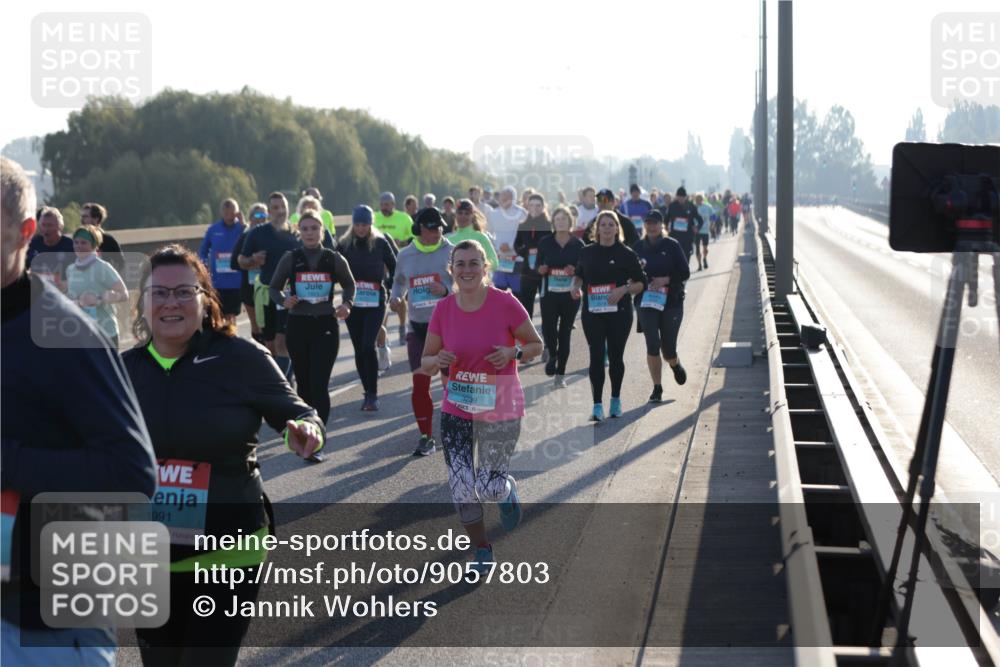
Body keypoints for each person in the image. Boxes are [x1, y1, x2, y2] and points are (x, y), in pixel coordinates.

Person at [124, 244, 323, 667]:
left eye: (184, 292)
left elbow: (300, 412)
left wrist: (306, 433)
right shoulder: (120, 371)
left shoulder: (241, 357)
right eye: (159, 293)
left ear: (205, 299)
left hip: (229, 548)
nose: (171, 302)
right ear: (142, 302)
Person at [1, 156, 156, 667]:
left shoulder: (65, 334)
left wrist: (9, 461)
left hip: (47, 620)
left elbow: (132, 473)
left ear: (26, 232)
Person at [421, 239, 542, 570]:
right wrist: (438, 358)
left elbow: (536, 345)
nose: (467, 270)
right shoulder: (443, 309)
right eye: (460, 264)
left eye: (474, 263)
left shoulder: (505, 303)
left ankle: (504, 491)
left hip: (501, 403)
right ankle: (482, 550)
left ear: (485, 267)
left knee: (488, 485)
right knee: (461, 488)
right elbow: (426, 360)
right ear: (452, 270)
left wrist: (512, 353)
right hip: (458, 405)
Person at [269, 212, 355, 435]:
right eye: (305, 228)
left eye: (314, 228)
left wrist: (347, 304)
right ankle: (307, 431)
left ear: (322, 232)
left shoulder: (333, 258)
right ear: (299, 232)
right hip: (298, 325)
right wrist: (284, 300)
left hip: (326, 325)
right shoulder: (291, 258)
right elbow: (273, 288)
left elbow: (349, 285)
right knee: (304, 386)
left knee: (319, 385)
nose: (309, 233)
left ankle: (318, 438)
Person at [390, 207, 454, 456]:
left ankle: (454, 429)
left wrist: (447, 291)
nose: (436, 232)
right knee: (420, 384)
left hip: (448, 327)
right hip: (417, 327)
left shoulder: (452, 251)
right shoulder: (406, 254)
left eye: (439, 227)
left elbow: (470, 282)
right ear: (419, 229)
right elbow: (398, 282)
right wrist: (396, 298)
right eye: (430, 228)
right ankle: (426, 437)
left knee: (451, 385)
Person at [570, 211, 645, 421]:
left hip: (619, 313)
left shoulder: (626, 253)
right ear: (597, 228)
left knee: (615, 357)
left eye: (611, 224)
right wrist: (573, 286)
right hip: (593, 313)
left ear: (617, 228)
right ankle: (596, 405)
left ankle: (615, 399)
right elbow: (578, 274)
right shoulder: (587, 252)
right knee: (595, 356)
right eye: (603, 224)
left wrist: (623, 290)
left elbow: (641, 283)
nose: (607, 228)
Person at [339, 205, 398, 411]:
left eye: (365, 224)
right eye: (357, 224)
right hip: (353, 303)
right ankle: (367, 390)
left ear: (370, 224)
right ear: (353, 225)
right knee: (358, 349)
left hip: (375, 301)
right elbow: (332, 268)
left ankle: (372, 394)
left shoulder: (381, 243)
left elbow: (396, 266)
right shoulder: (344, 245)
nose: (361, 228)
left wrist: (390, 289)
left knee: (367, 345)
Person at [238, 192, 301, 379]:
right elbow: (241, 260)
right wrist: (252, 259)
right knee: (270, 343)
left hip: (290, 294)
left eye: (283, 207)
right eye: (275, 207)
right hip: (266, 293)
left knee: (283, 341)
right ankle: (281, 378)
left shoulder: (296, 233)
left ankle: (287, 385)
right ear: (269, 210)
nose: (280, 211)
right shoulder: (257, 233)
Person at [633, 210, 690, 403]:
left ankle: (674, 364)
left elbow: (685, 272)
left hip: (671, 301)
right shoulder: (638, 247)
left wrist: (666, 279)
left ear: (661, 225)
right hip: (646, 301)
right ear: (644, 225)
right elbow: (630, 273)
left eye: (655, 223)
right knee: (652, 344)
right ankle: (657, 387)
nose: (651, 226)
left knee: (668, 349)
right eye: (648, 222)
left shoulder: (672, 245)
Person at [536, 205, 584, 386]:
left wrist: (576, 270)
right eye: (558, 219)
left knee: (565, 333)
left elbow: (585, 269)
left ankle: (560, 374)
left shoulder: (578, 244)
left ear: (570, 222)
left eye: (564, 219)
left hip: (570, 295)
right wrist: (540, 269)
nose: (561, 222)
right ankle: (553, 356)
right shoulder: (545, 242)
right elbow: (537, 265)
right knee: (549, 328)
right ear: (553, 223)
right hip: (549, 293)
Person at [65, 224, 129, 348]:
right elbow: (70, 300)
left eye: (84, 243)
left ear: (94, 245)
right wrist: (77, 303)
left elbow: (124, 294)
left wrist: (100, 299)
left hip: (106, 333)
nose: (79, 246)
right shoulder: (70, 269)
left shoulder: (103, 267)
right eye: (76, 242)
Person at [374, 192, 414, 346]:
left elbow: (413, 238)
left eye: (387, 204)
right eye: (382, 204)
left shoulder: (404, 218)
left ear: (393, 204)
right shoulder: (374, 217)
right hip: (378, 263)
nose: (384, 207)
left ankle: (402, 325)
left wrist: (402, 242)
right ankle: (381, 330)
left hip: (399, 260)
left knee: (400, 296)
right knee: (382, 297)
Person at [199, 199, 246, 325]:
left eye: (231, 211)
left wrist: (244, 225)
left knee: (231, 315)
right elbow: (203, 250)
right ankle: (221, 340)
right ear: (221, 212)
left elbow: (250, 244)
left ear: (237, 212)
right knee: (217, 314)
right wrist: (204, 264)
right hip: (218, 281)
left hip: (236, 280)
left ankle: (231, 339)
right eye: (225, 211)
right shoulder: (213, 229)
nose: (228, 214)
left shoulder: (242, 228)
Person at [230, 203, 268, 342]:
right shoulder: (245, 236)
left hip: (267, 287)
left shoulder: (272, 236)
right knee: (257, 327)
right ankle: (260, 356)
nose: (262, 218)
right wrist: (251, 261)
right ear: (251, 218)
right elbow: (233, 263)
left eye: (265, 215)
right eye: (258, 215)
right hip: (249, 287)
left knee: (268, 326)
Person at [514, 192, 553, 321]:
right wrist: (525, 251)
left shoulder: (549, 225)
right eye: (531, 205)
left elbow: (553, 246)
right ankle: (528, 336)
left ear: (543, 207)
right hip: (527, 271)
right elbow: (517, 245)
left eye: (538, 205)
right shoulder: (523, 225)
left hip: (544, 271)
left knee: (547, 306)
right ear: (527, 206)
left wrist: (543, 256)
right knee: (526, 305)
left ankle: (548, 335)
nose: (534, 208)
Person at [486, 186, 527, 295]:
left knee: (518, 295)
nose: (505, 199)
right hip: (500, 260)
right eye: (502, 196)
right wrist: (497, 246)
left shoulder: (522, 213)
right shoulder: (493, 214)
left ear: (513, 198)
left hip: (517, 259)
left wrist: (511, 246)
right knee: (498, 294)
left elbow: (525, 236)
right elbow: (488, 233)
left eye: (508, 196)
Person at [26, 206, 74, 286]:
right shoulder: (32, 243)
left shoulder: (71, 246)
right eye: (43, 225)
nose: (46, 229)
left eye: (50, 225)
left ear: (60, 226)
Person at [446, 199, 499, 269]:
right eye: (460, 213)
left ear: (472, 216)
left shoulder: (481, 237)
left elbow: (494, 263)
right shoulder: (448, 239)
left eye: (467, 213)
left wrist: (474, 269)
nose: (463, 216)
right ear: (455, 215)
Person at [80, 202, 124, 274]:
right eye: (81, 216)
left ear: (96, 219)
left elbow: (120, 263)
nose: (82, 220)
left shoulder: (108, 240)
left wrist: (109, 277)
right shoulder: (79, 241)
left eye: (85, 217)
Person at [664, 186, 704, 268]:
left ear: (686, 197)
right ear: (676, 196)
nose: (681, 199)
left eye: (683, 197)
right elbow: (666, 219)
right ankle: (678, 274)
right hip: (675, 236)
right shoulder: (672, 206)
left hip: (687, 236)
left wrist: (697, 227)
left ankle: (684, 273)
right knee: (675, 256)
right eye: (679, 197)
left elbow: (700, 220)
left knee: (686, 256)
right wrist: (666, 228)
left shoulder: (691, 206)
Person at [694, 192, 715, 270]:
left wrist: (712, 224)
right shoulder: (694, 207)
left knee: (705, 248)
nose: (698, 201)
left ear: (702, 199)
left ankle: (704, 258)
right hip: (696, 231)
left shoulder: (707, 206)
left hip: (705, 230)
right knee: (697, 248)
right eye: (697, 199)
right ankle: (699, 265)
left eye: (700, 199)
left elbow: (713, 215)